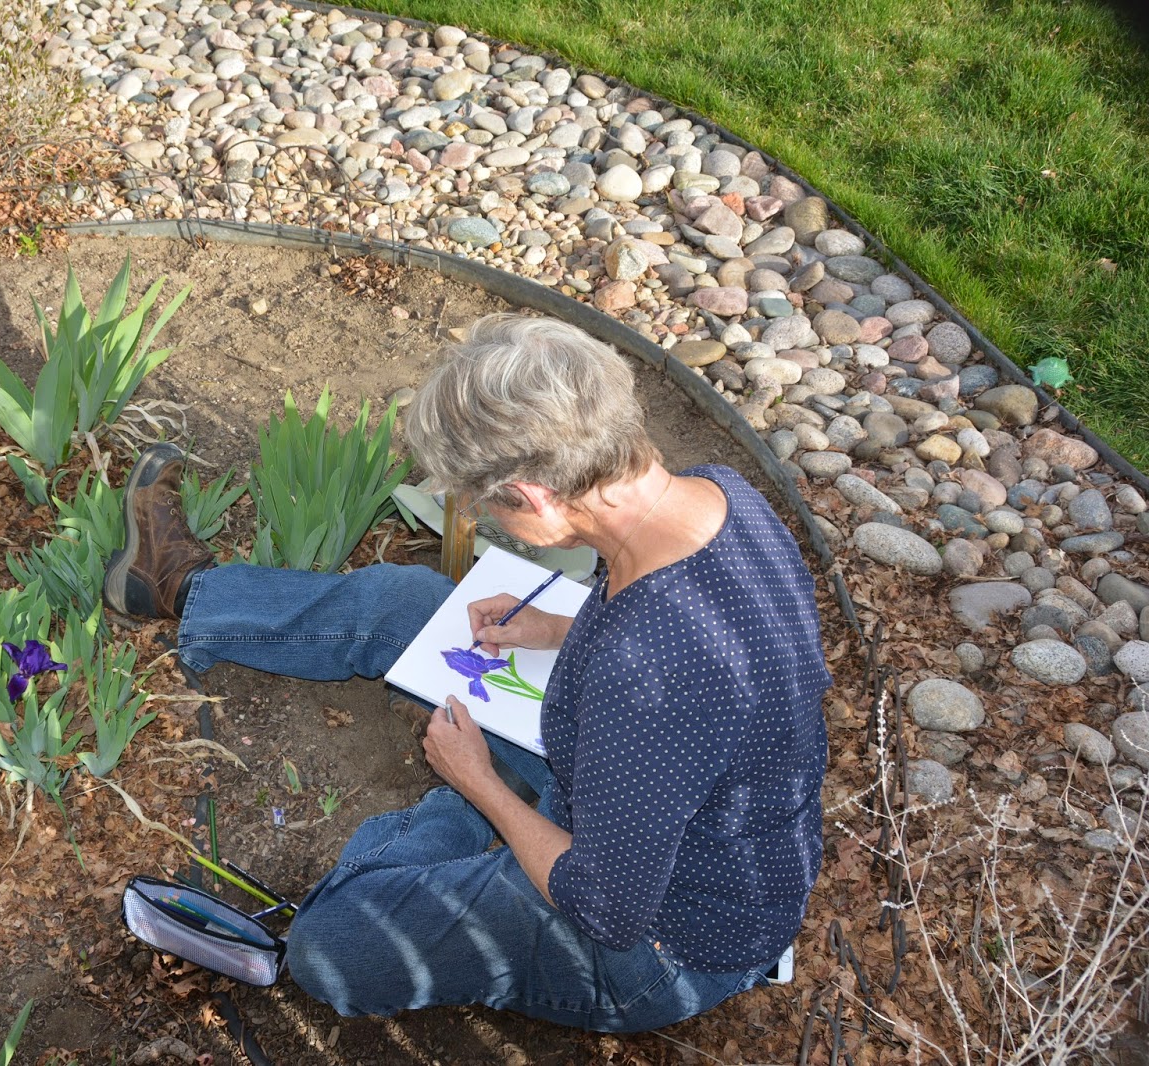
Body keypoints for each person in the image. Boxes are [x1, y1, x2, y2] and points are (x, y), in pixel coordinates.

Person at [103, 313, 829, 1033]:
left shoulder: (643, 675)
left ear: (533, 495)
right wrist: (559, 628)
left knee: (333, 940)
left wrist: (478, 783)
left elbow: (606, 908)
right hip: (636, 795)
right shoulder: (716, 495)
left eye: (487, 506)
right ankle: (179, 587)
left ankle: (470, 811)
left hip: (664, 945)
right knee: (414, 606)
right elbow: (695, 653)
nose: (489, 519)